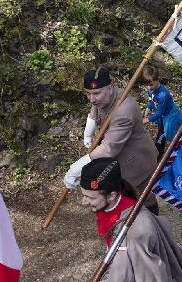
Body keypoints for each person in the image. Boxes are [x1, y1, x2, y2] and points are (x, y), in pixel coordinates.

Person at [65, 67, 158, 199]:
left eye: (96, 93)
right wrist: (88, 134)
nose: (91, 99)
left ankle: (152, 219)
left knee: (142, 199)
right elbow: (94, 112)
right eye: (87, 93)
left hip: (136, 162)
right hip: (117, 160)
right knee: (121, 201)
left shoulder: (124, 109)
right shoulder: (102, 97)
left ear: (110, 88)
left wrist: (77, 168)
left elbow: (108, 149)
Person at [142, 65, 182, 160]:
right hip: (162, 115)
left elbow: (159, 113)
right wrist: (148, 108)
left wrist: (146, 120)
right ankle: (159, 153)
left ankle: (178, 151)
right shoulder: (151, 90)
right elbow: (151, 100)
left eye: (151, 84)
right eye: (147, 85)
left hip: (170, 115)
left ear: (158, 80)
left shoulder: (163, 95)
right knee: (162, 132)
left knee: (171, 134)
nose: (149, 87)